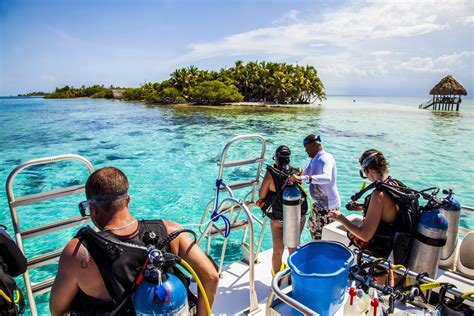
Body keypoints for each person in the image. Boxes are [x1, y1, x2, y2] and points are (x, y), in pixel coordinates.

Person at [50, 167, 219, 316]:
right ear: (128, 200)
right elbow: (211, 277)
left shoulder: (78, 253)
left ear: (93, 209)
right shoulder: (171, 232)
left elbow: (57, 310)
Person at [328, 149, 401, 260]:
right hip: (397, 248)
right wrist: (363, 207)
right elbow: (388, 210)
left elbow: (365, 235)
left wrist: (340, 218)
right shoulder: (394, 184)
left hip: (385, 257)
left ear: (367, 171)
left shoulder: (378, 195)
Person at [257, 145, 307, 276]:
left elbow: (261, 195)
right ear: (289, 159)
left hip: (279, 219)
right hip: (297, 217)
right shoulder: (298, 172)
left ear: (276, 158)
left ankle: (276, 277)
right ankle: (294, 276)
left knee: (278, 250)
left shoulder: (270, 173)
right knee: (293, 248)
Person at [289, 134, 341, 240]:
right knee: (313, 230)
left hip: (328, 207)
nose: (305, 150)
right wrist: (292, 175)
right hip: (317, 205)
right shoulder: (314, 159)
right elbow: (304, 174)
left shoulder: (326, 158)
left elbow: (327, 178)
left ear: (313, 145)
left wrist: (305, 179)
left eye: (306, 147)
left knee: (323, 238)